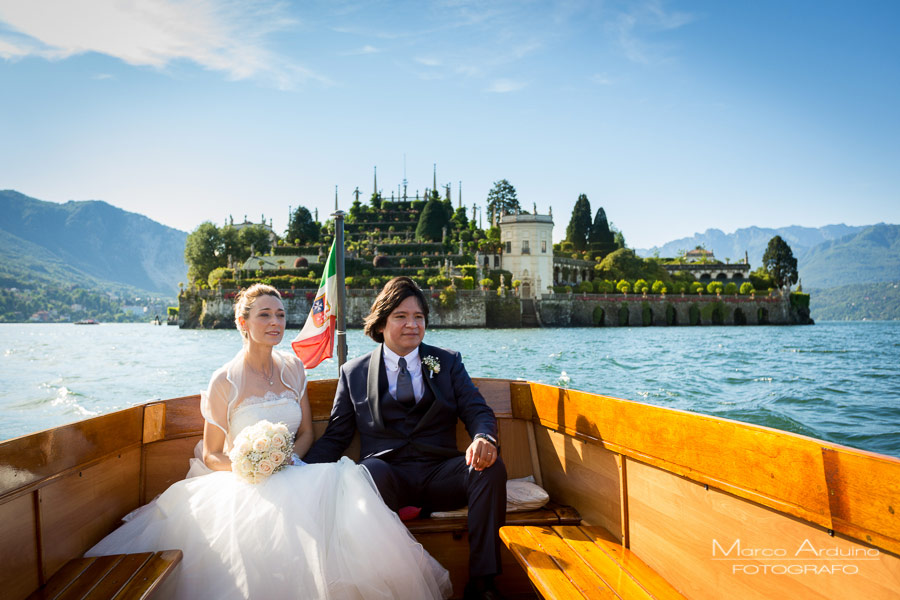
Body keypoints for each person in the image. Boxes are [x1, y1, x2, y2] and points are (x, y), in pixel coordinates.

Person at [86, 283, 451, 599]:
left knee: (347, 485)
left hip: (293, 469)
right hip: (243, 480)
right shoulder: (224, 381)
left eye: (279, 314)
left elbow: (307, 431)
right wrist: (250, 468)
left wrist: (288, 460)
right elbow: (212, 454)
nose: (275, 322)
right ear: (242, 323)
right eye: (264, 315)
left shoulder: (293, 368)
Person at [305, 276, 507, 600]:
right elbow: (336, 437)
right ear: (381, 323)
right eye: (401, 316)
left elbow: (477, 410)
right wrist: (299, 469)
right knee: (365, 475)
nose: (412, 325)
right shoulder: (353, 372)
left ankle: (483, 583)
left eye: (419, 317)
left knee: (490, 470)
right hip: (387, 477)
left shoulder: (448, 362)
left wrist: (484, 438)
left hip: (440, 472)